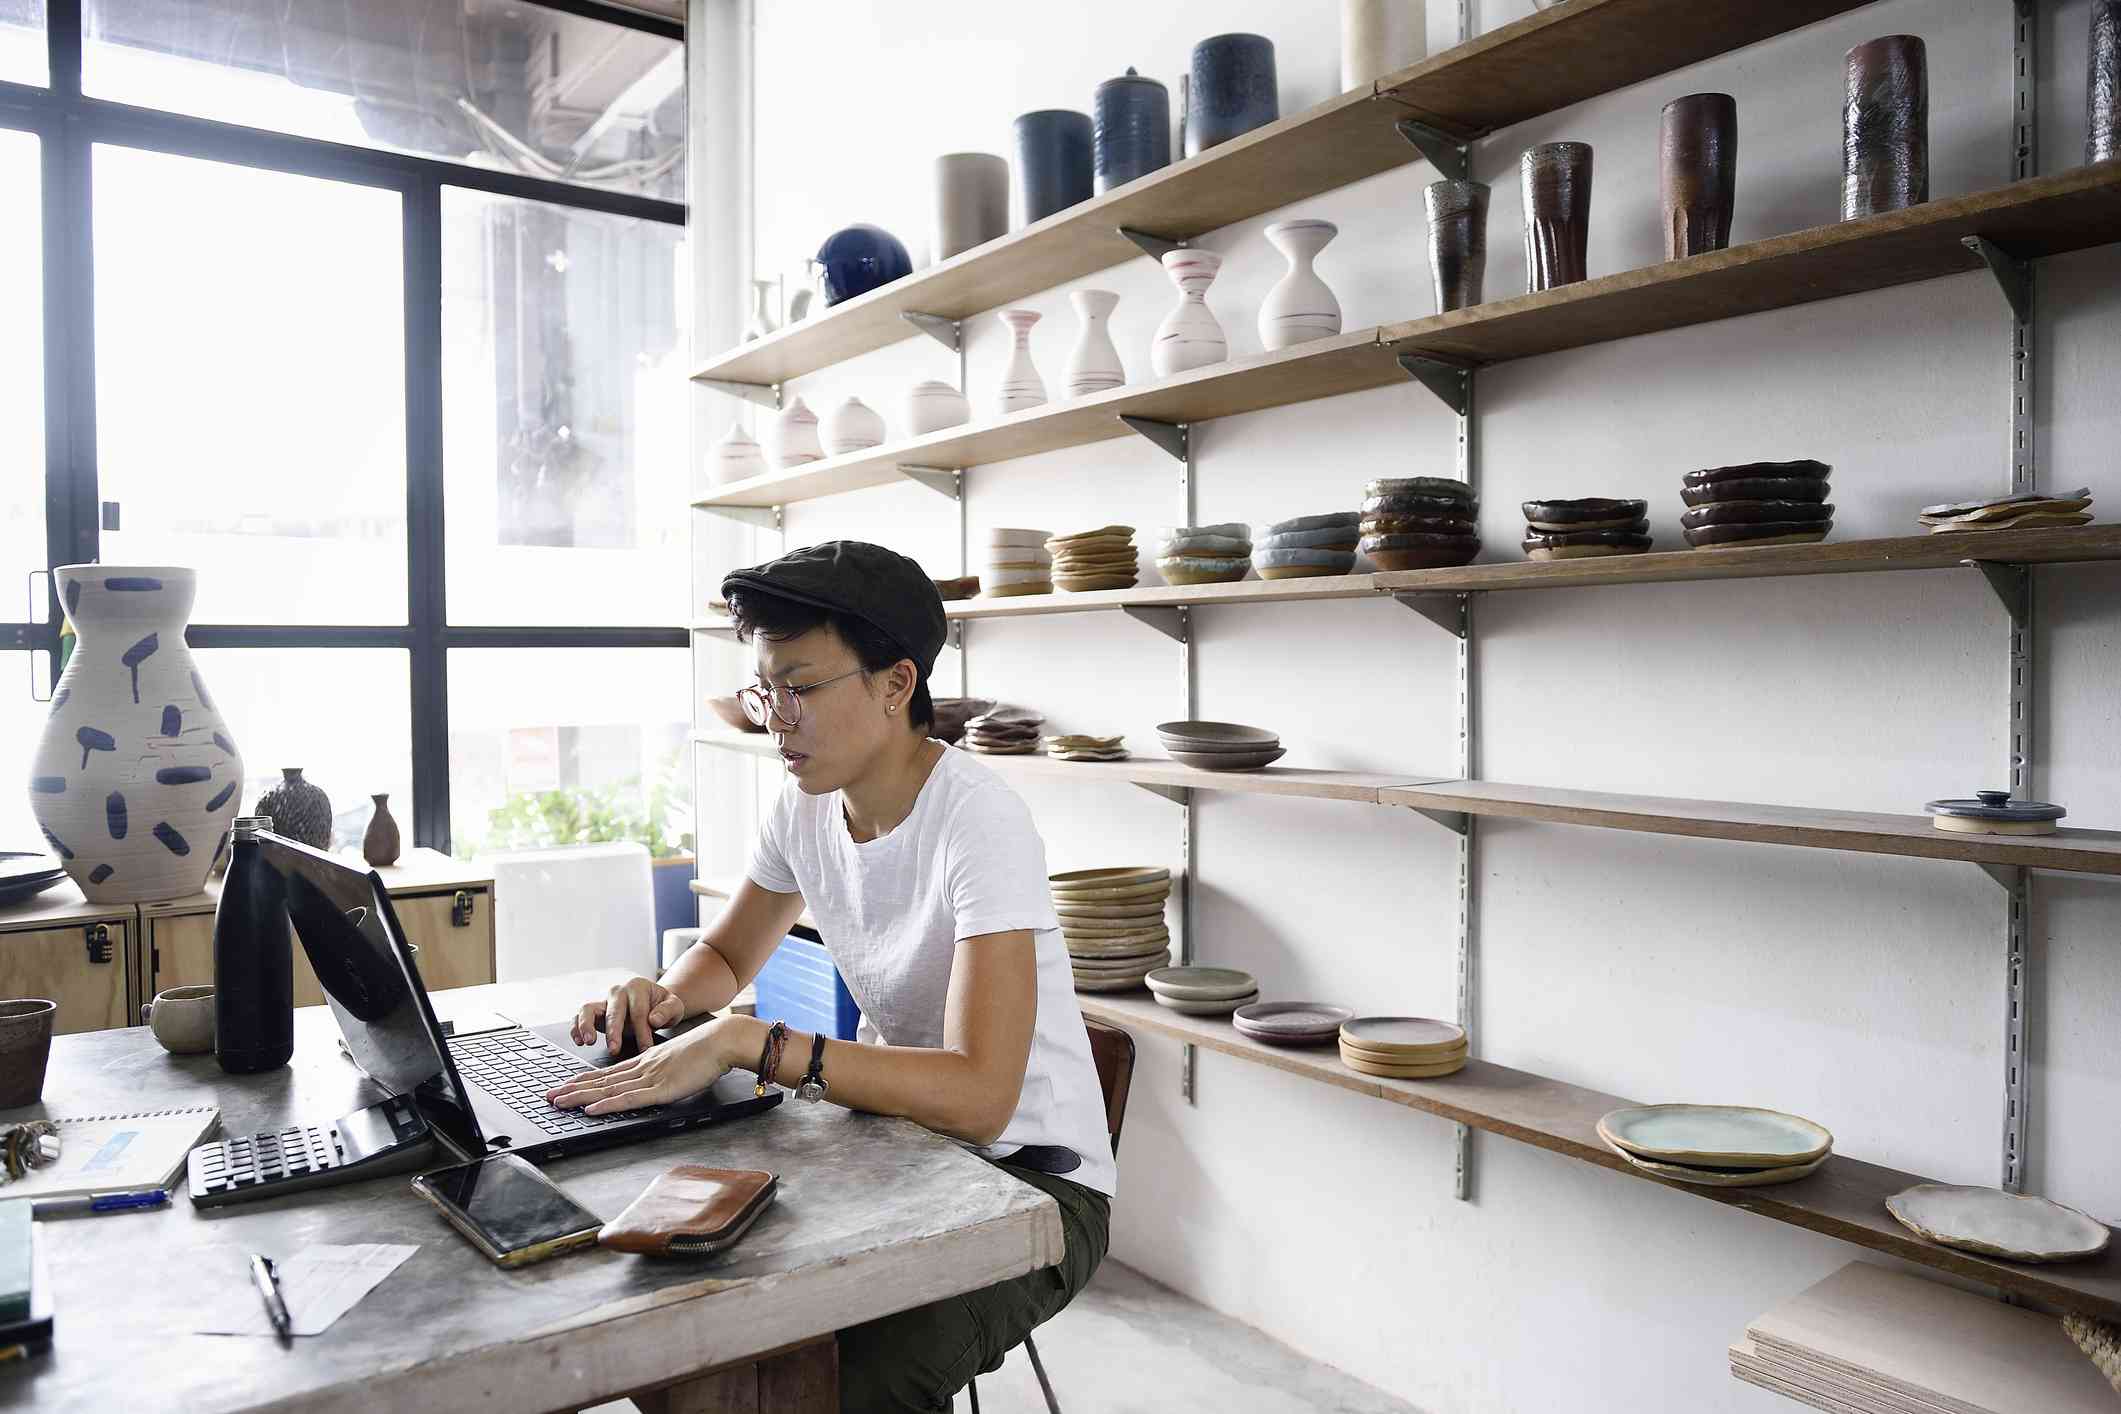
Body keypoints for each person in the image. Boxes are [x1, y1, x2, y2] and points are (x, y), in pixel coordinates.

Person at [547, 540, 1114, 1413]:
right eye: (763, 690)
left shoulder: (980, 820)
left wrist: (748, 1040)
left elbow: (980, 1098)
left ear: (894, 684)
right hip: (893, 1143)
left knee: (839, 1387)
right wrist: (664, 995)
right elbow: (729, 957)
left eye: (800, 687)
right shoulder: (805, 804)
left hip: (1033, 1182)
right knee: (675, 1327)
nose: (776, 718)